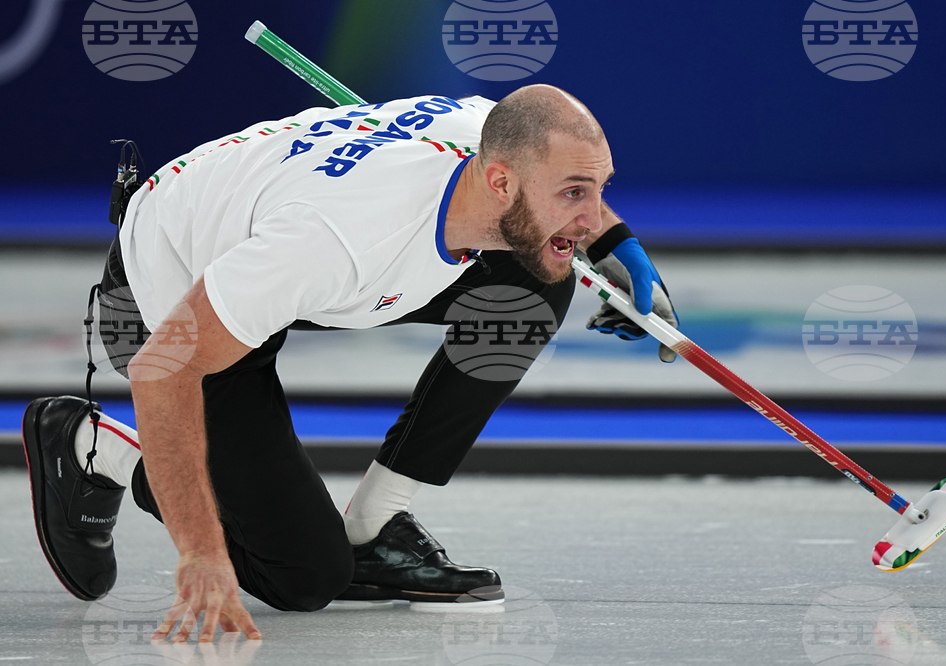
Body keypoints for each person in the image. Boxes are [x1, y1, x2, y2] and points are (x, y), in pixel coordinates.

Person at [22, 85, 677, 642]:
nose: (589, 216)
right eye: (574, 196)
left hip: (263, 247)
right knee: (302, 576)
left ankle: (374, 524)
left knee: (537, 283)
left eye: (598, 191)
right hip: (163, 305)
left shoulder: (489, 133)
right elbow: (162, 370)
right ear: (500, 180)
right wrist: (199, 550)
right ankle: (89, 447)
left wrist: (618, 242)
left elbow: (549, 157)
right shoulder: (337, 240)